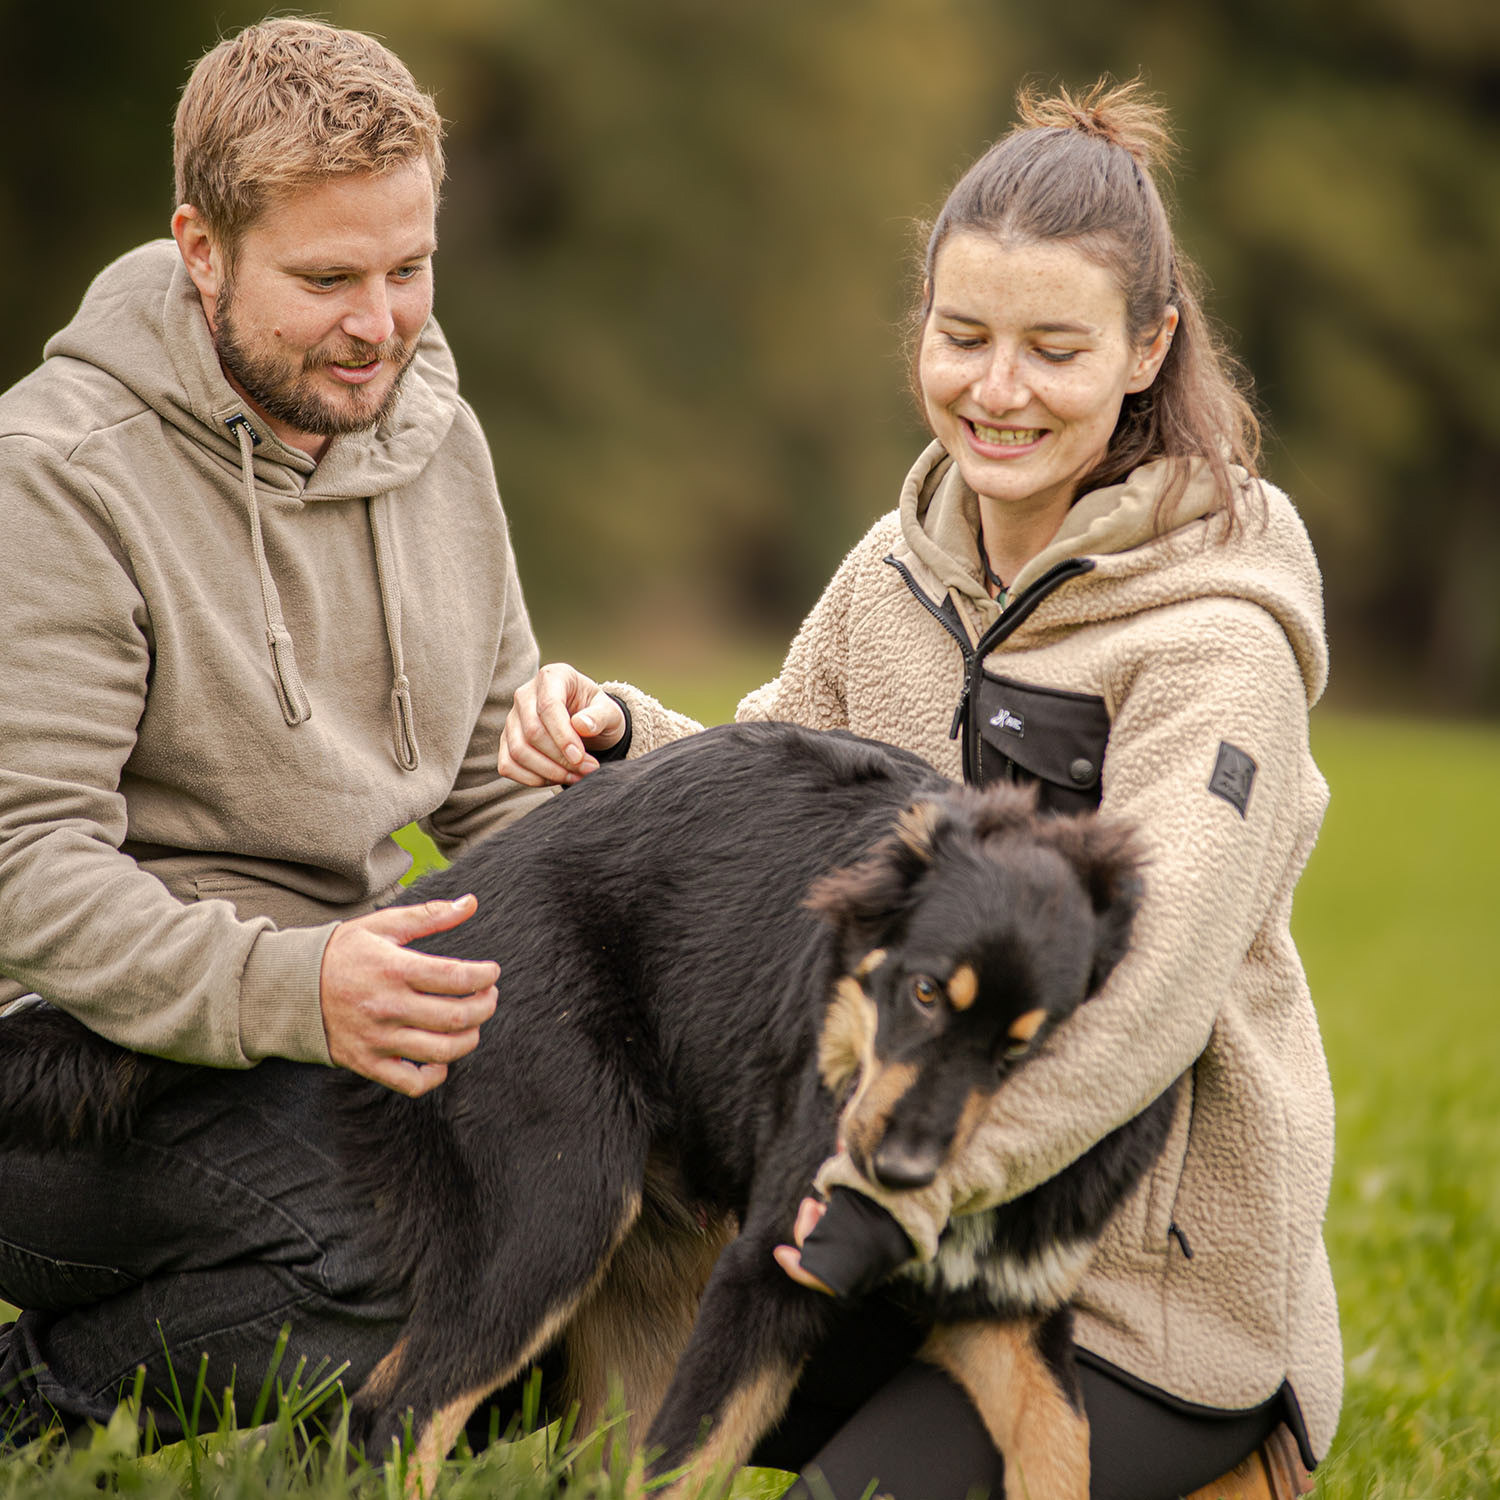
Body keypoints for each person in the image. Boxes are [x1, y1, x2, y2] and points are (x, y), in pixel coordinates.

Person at [497, 81, 1339, 1500]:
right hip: (874, 1227)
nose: (996, 390)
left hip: (1113, 1291)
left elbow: (1152, 997)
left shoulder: (1216, 645)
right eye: (964, 338)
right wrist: (623, 737)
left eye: (1053, 349)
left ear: (1149, 349)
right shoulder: (893, 578)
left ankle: (1230, 1460)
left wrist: (904, 1182)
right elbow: (772, 784)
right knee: (517, 1320)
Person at [0, 18, 552, 1442]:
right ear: (202, 250)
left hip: (339, 1024)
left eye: (408, 269)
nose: (380, 324)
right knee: (408, 1252)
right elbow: (26, 870)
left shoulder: (438, 435)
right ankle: (39, 1402)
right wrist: (298, 989)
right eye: (326, 280)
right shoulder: (57, 475)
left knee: (566, 1217)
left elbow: (494, 789)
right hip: (64, 1068)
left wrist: (593, 790)